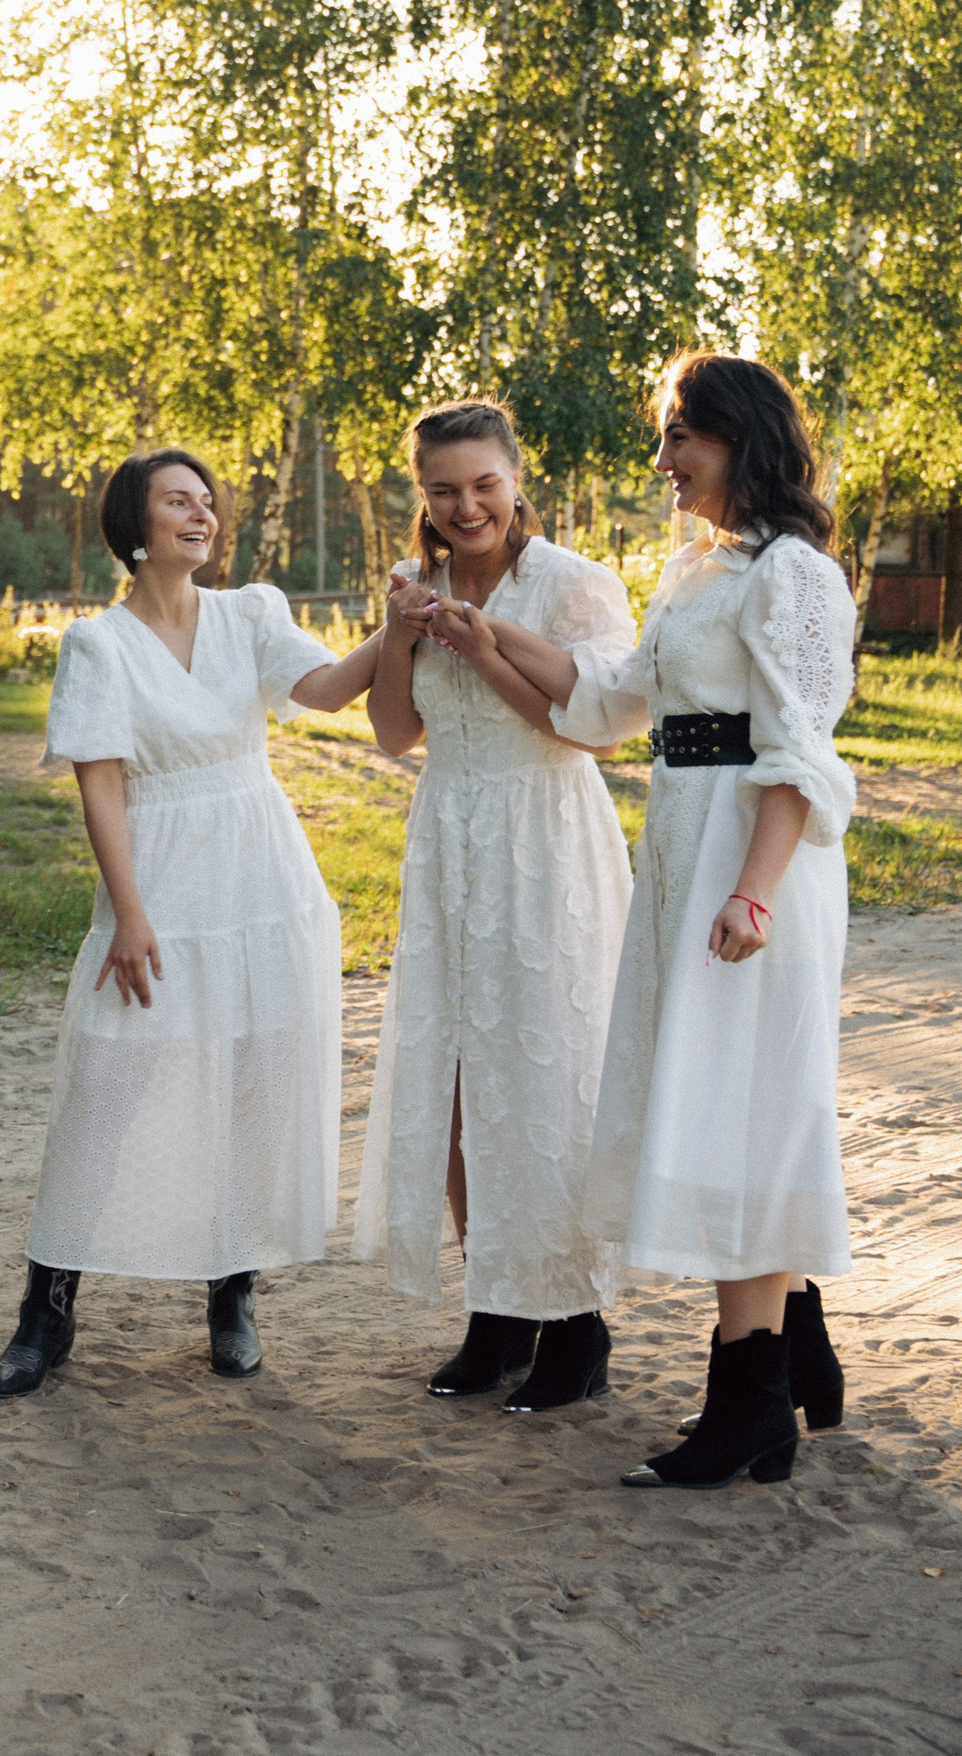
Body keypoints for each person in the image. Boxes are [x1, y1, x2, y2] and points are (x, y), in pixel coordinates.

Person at [460, 352, 856, 1490]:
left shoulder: (793, 576)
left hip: (752, 860)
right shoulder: (696, 569)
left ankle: (746, 1404)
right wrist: (485, 633)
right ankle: (786, 1358)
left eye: (682, 435)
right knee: (718, 1098)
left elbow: (797, 753)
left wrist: (755, 892)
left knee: (741, 1109)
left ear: (742, 438)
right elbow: (614, 694)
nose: (664, 457)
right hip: (686, 841)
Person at [0, 448, 381, 1399]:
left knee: (251, 1081)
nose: (200, 515)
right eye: (178, 502)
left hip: (262, 879)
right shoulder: (99, 643)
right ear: (137, 523)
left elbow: (326, 691)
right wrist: (129, 915)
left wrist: (394, 630)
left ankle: (232, 1290)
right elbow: (102, 783)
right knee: (107, 1085)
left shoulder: (253, 614)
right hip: (159, 882)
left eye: (208, 502)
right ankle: (47, 1305)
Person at [354, 400, 636, 1413]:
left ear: (517, 477)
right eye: (442, 488)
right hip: (448, 845)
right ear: (419, 494)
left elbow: (591, 735)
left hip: (545, 840)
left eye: (482, 484)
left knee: (546, 1074)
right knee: (460, 1081)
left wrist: (481, 651)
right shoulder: (417, 586)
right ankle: (497, 1307)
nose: (464, 504)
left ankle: (574, 1321)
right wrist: (398, 634)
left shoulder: (572, 584)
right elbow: (392, 733)